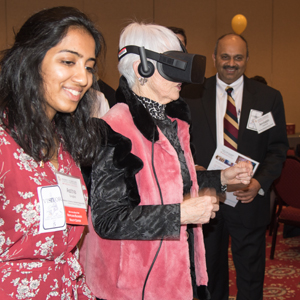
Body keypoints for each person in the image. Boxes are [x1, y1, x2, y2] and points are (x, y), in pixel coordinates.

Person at [79, 23, 253, 300]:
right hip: (134, 284)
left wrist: (221, 178)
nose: (181, 76)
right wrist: (181, 214)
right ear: (142, 69)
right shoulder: (112, 129)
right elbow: (108, 220)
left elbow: (169, 184)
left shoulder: (171, 124)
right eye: (172, 65)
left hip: (174, 271)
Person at [0, 6, 104, 299]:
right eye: (68, 61)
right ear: (29, 60)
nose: (83, 78)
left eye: (88, 66)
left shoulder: (64, 144)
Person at [182, 33, 288, 300]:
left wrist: (259, 183)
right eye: (225, 56)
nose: (231, 63)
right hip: (208, 199)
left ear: (247, 60)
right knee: (207, 273)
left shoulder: (268, 98)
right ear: (215, 57)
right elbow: (181, 144)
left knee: (251, 276)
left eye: (238, 57)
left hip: (248, 199)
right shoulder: (191, 94)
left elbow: (277, 149)